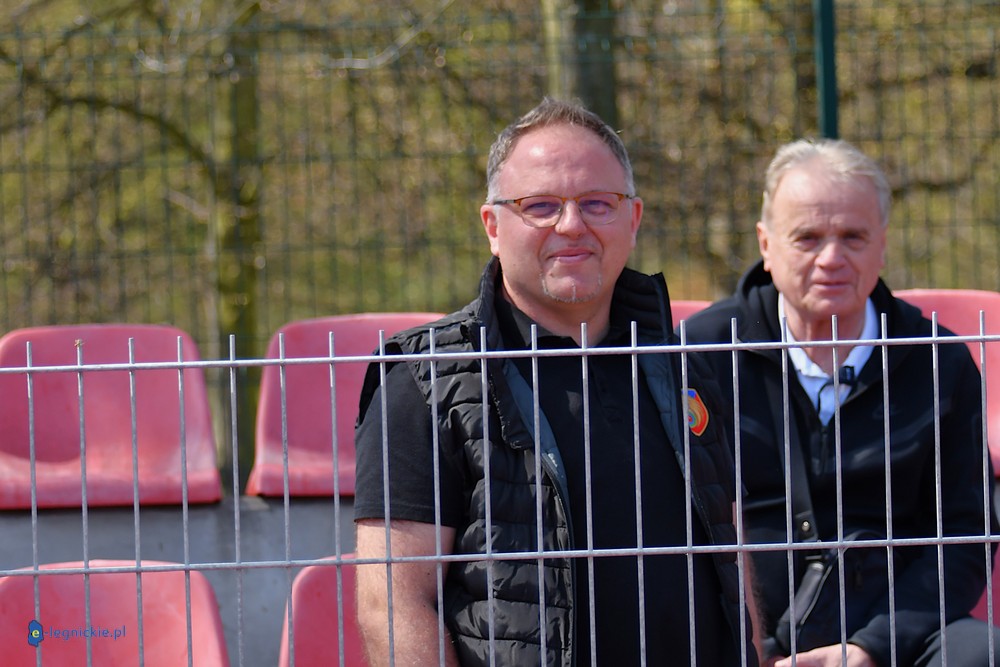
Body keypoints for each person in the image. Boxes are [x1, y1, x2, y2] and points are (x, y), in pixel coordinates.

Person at [353, 98, 759, 666]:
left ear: (633, 219)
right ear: (493, 227)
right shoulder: (425, 380)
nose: (572, 225)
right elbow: (393, 605)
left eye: (597, 203)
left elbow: (731, 555)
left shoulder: (686, 366)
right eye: (540, 206)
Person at [683, 137, 999, 667]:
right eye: (807, 237)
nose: (831, 258)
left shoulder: (938, 360)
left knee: (982, 654)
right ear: (766, 244)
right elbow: (668, 526)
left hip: (896, 633)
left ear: (883, 245)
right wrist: (747, 646)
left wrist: (873, 647)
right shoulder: (699, 353)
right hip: (734, 634)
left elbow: (966, 536)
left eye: (853, 237)